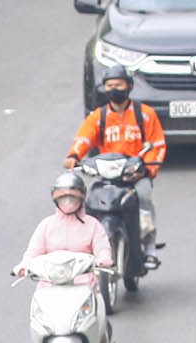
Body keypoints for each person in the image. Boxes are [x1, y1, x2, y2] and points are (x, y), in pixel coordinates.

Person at [64, 68, 166, 272]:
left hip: (134, 173)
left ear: (129, 86)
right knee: (88, 199)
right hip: (106, 173)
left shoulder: (145, 114)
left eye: (118, 85)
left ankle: (149, 248)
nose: (114, 89)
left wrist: (146, 169)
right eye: (110, 85)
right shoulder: (98, 117)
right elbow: (83, 138)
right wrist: (74, 156)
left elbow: (157, 144)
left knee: (144, 197)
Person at [14, 173, 113, 283]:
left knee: (99, 299)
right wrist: (24, 266)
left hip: (84, 284)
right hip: (49, 285)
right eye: (63, 199)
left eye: (73, 198)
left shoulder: (93, 224)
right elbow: (33, 252)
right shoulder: (46, 225)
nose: (68, 202)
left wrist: (103, 259)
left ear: (82, 198)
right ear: (56, 200)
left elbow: (102, 247)